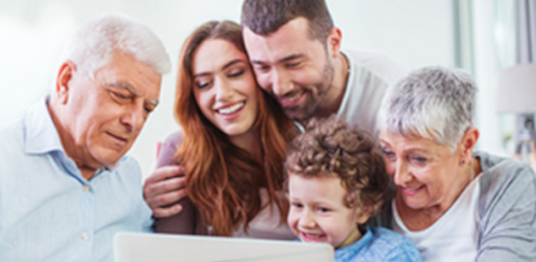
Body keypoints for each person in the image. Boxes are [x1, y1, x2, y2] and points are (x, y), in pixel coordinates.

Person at [144, 0, 408, 221]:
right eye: (262, 67)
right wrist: (144, 203)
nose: (279, 87)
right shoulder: (264, 99)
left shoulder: (390, 97)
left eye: (293, 63)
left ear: (334, 43)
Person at [0, 14, 171, 262]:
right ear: (65, 80)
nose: (136, 121)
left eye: (148, 109)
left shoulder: (129, 179)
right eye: (121, 95)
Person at [151, 20, 297, 239]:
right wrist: (139, 206)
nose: (222, 94)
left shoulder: (305, 144)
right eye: (204, 84)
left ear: (260, 72)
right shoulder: (182, 152)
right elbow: (169, 251)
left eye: (236, 73)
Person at [376, 67, 536, 261]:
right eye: (389, 153)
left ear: (466, 145)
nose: (399, 177)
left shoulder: (509, 184)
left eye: (418, 158)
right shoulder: (375, 193)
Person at [285, 117, 422, 262]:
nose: (305, 222)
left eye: (323, 209)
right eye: (297, 205)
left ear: (363, 209)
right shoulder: (289, 255)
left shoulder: (390, 254)